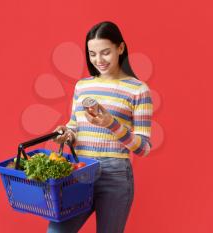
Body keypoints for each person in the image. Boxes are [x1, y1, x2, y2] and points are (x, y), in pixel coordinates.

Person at [47, 21, 153, 233]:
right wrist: (65, 134)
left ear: (120, 48)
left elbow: (143, 148)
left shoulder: (138, 90)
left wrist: (112, 124)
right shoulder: (83, 86)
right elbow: (75, 127)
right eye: (92, 54)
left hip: (115, 175)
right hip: (79, 171)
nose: (98, 60)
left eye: (105, 52)